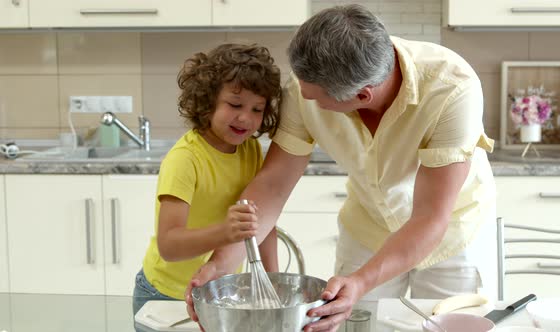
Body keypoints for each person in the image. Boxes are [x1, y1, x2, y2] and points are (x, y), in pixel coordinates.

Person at [185, 4, 497, 332]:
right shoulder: (306, 84)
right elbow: (273, 185)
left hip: (452, 234)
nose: (304, 98)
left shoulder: (452, 88)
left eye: (318, 100)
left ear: (362, 95)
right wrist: (221, 264)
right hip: (368, 225)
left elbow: (430, 217)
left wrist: (361, 282)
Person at [132, 43, 282, 318]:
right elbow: (169, 245)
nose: (246, 118)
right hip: (166, 295)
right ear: (207, 100)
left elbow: (261, 224)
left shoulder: (249, 150)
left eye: (257, 109)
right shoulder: (185, 160)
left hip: (219, 291)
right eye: (235, 104)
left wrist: (272, 284)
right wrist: (225, 231)